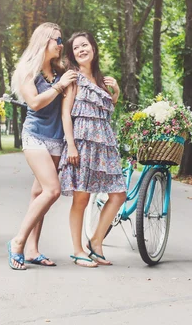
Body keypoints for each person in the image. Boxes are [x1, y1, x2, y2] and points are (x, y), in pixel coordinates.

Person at [7, 22, 78, 270]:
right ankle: (18, 242)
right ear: (44, 41)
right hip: (35, 135)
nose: (60, 45)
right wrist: (59, 87)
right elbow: (35, 103)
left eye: (61, 40)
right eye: (57, 40)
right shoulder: (29, 71)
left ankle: (32, 250)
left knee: (39, 195)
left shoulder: (59, 72)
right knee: (52, 191)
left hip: (56, 138)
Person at [58, 31, 126, 267]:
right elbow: (66, 113)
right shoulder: (73, 78)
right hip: (82, 142)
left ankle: (96, 242)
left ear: (93, 48)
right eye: (76, 48)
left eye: (84, 45)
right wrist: (71, 146)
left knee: (118, 194)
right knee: (81, 197)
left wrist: (115, 92)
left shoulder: (101, 79)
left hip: (104, 143)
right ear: (73, 54)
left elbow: (106, 109)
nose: (81, 50)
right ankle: (78, 250)